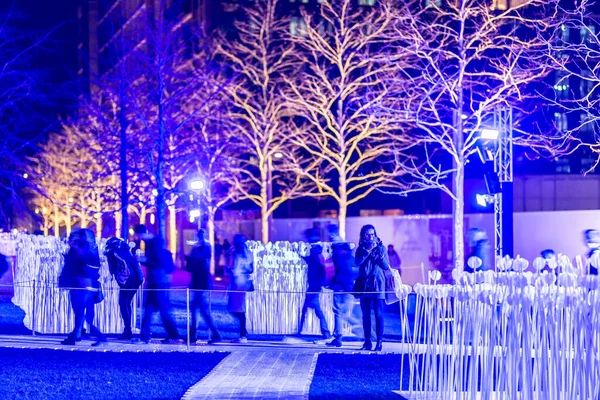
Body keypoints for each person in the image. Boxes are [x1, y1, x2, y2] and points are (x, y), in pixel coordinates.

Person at [133, 224, 180, 344]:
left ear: (142, 233)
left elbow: (158, 262)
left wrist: (143, 260)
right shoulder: (150, 243)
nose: (138, 238)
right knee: (148, 309)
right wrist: (145, 261)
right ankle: (144, 335)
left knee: (163, 309)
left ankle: (173, 335)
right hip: (154, 280)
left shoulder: (155, 242)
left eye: (138, 236)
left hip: (159, 281)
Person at [59, 229, 106, 346]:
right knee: (82, 312)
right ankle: (77, 334)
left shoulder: (82, 248)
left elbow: (78, 263)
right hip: (89, 283)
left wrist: (74, 248)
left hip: (81, 283)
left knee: (80, 311)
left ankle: (94, 336)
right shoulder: (92, 247)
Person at [355, 224, 389, 352]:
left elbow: (386, 266)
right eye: (368, 234)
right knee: (365, 315)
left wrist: (378, 256)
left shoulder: (381, 248)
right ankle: (367, 342)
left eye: (372, 234)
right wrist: (367, 251)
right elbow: (357, 262)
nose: (371, 236)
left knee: (378, 314)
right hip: (364, 285)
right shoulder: (360, 248)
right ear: (363, 235)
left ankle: (379, 343)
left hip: (378, 284)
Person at [185, 229, 222, 344]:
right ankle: (193, 333)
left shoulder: (205, 247)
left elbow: (203, 259)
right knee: (196, 308)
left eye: (201, 235)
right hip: (197, 279)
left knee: (201, 309)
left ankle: (215, 333)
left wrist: (194, 255)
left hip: (202, 279)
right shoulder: (198, 247)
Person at [104, 237, 144, 340]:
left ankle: (127, 331)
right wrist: (140, 279)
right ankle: (128, 331)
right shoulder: (127, 251)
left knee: (123, 304)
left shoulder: (112, 253)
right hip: (135, 280)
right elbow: (135, 265)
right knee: (126, 303)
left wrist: (111, 276)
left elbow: (112, 268)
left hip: (126, 281)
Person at [326, 224, 358, 348]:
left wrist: (331, 281)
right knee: (342, 312)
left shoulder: (336, 249)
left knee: (339, 312)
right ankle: (358, 328)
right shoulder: (346, 248)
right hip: (348, 285)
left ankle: (342, 335)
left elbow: (335, 268)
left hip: (340, 285)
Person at [298, 228, 332, 341]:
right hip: (313, 286)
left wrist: (318, 283)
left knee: (314, 310)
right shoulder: (316, 253)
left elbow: (318, 267)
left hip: (314, 286)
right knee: (310, 309)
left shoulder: (315, 253)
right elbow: (312, 263)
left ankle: (325, 333)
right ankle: (300, 331)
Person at [227, 233, 254, 343]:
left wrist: (232, 270)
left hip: (237, 282)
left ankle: (243, 335)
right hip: (243, 281)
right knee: (237, 307)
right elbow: (251, 269)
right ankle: (243, 332)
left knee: (236, 308)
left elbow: (230, 267)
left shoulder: (234, 254)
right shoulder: (249, 254)